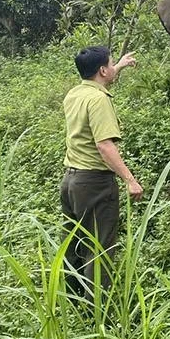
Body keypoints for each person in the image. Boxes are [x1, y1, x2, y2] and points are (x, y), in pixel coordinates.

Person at [60, 45, 143, 301]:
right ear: (102, 70)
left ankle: (72, 302)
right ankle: (98, 312)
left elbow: (98, 85)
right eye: (111, 63)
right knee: (99, 248)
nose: (113, 66)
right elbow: (104, 145)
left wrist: (118, 67)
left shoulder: (76, 93)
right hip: (95, 183)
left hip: (71, 181)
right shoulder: (99, 101)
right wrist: (130, 180)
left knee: (74, 244)